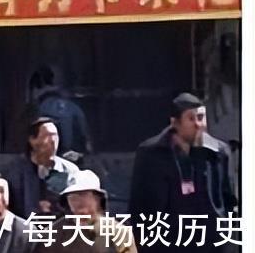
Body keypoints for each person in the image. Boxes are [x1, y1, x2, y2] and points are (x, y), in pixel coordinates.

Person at [129, 93, 236, 253]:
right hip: (166, 243)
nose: (198, 124)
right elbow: (138, 205)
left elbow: (228, 199)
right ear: (175, 123)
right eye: (191, 119)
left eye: (201, 117)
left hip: (210, 243)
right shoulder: (151, 153)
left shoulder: (218, 152)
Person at [35, 170, 136, 253]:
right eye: (72, 197)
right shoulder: (54, 233)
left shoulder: (118, 232)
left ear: (97, 199)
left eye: (83, 195)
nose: (78, 202)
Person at [5, 117, 80, 218]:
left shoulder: (70, 170)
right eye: (47, 136)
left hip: (60, 225)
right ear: (32, 140)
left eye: (55, 136)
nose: (53, 140)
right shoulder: (15, 170)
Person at [29, 66, 91, 157]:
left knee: (76, 115)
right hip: (51, 108)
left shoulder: (57, 91)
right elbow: (35, 101)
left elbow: (65, 95)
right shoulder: (38, 90)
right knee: (66, 118)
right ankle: (68, 148)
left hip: (62, 106)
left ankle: (84, 143)